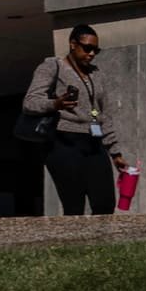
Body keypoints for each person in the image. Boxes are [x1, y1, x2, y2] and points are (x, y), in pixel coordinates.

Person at [22, 25, 129, 216]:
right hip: (63, 142)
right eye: (87, 48)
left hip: (94, 142)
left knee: (104, 203)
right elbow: (30, 102)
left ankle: (101, 245)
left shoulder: (96, 74)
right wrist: (56, 104)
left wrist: (115, 153)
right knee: (74, 206)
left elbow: (102, 113)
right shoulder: (52, 67)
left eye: (96, 50)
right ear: (73, 44)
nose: (91, 54)